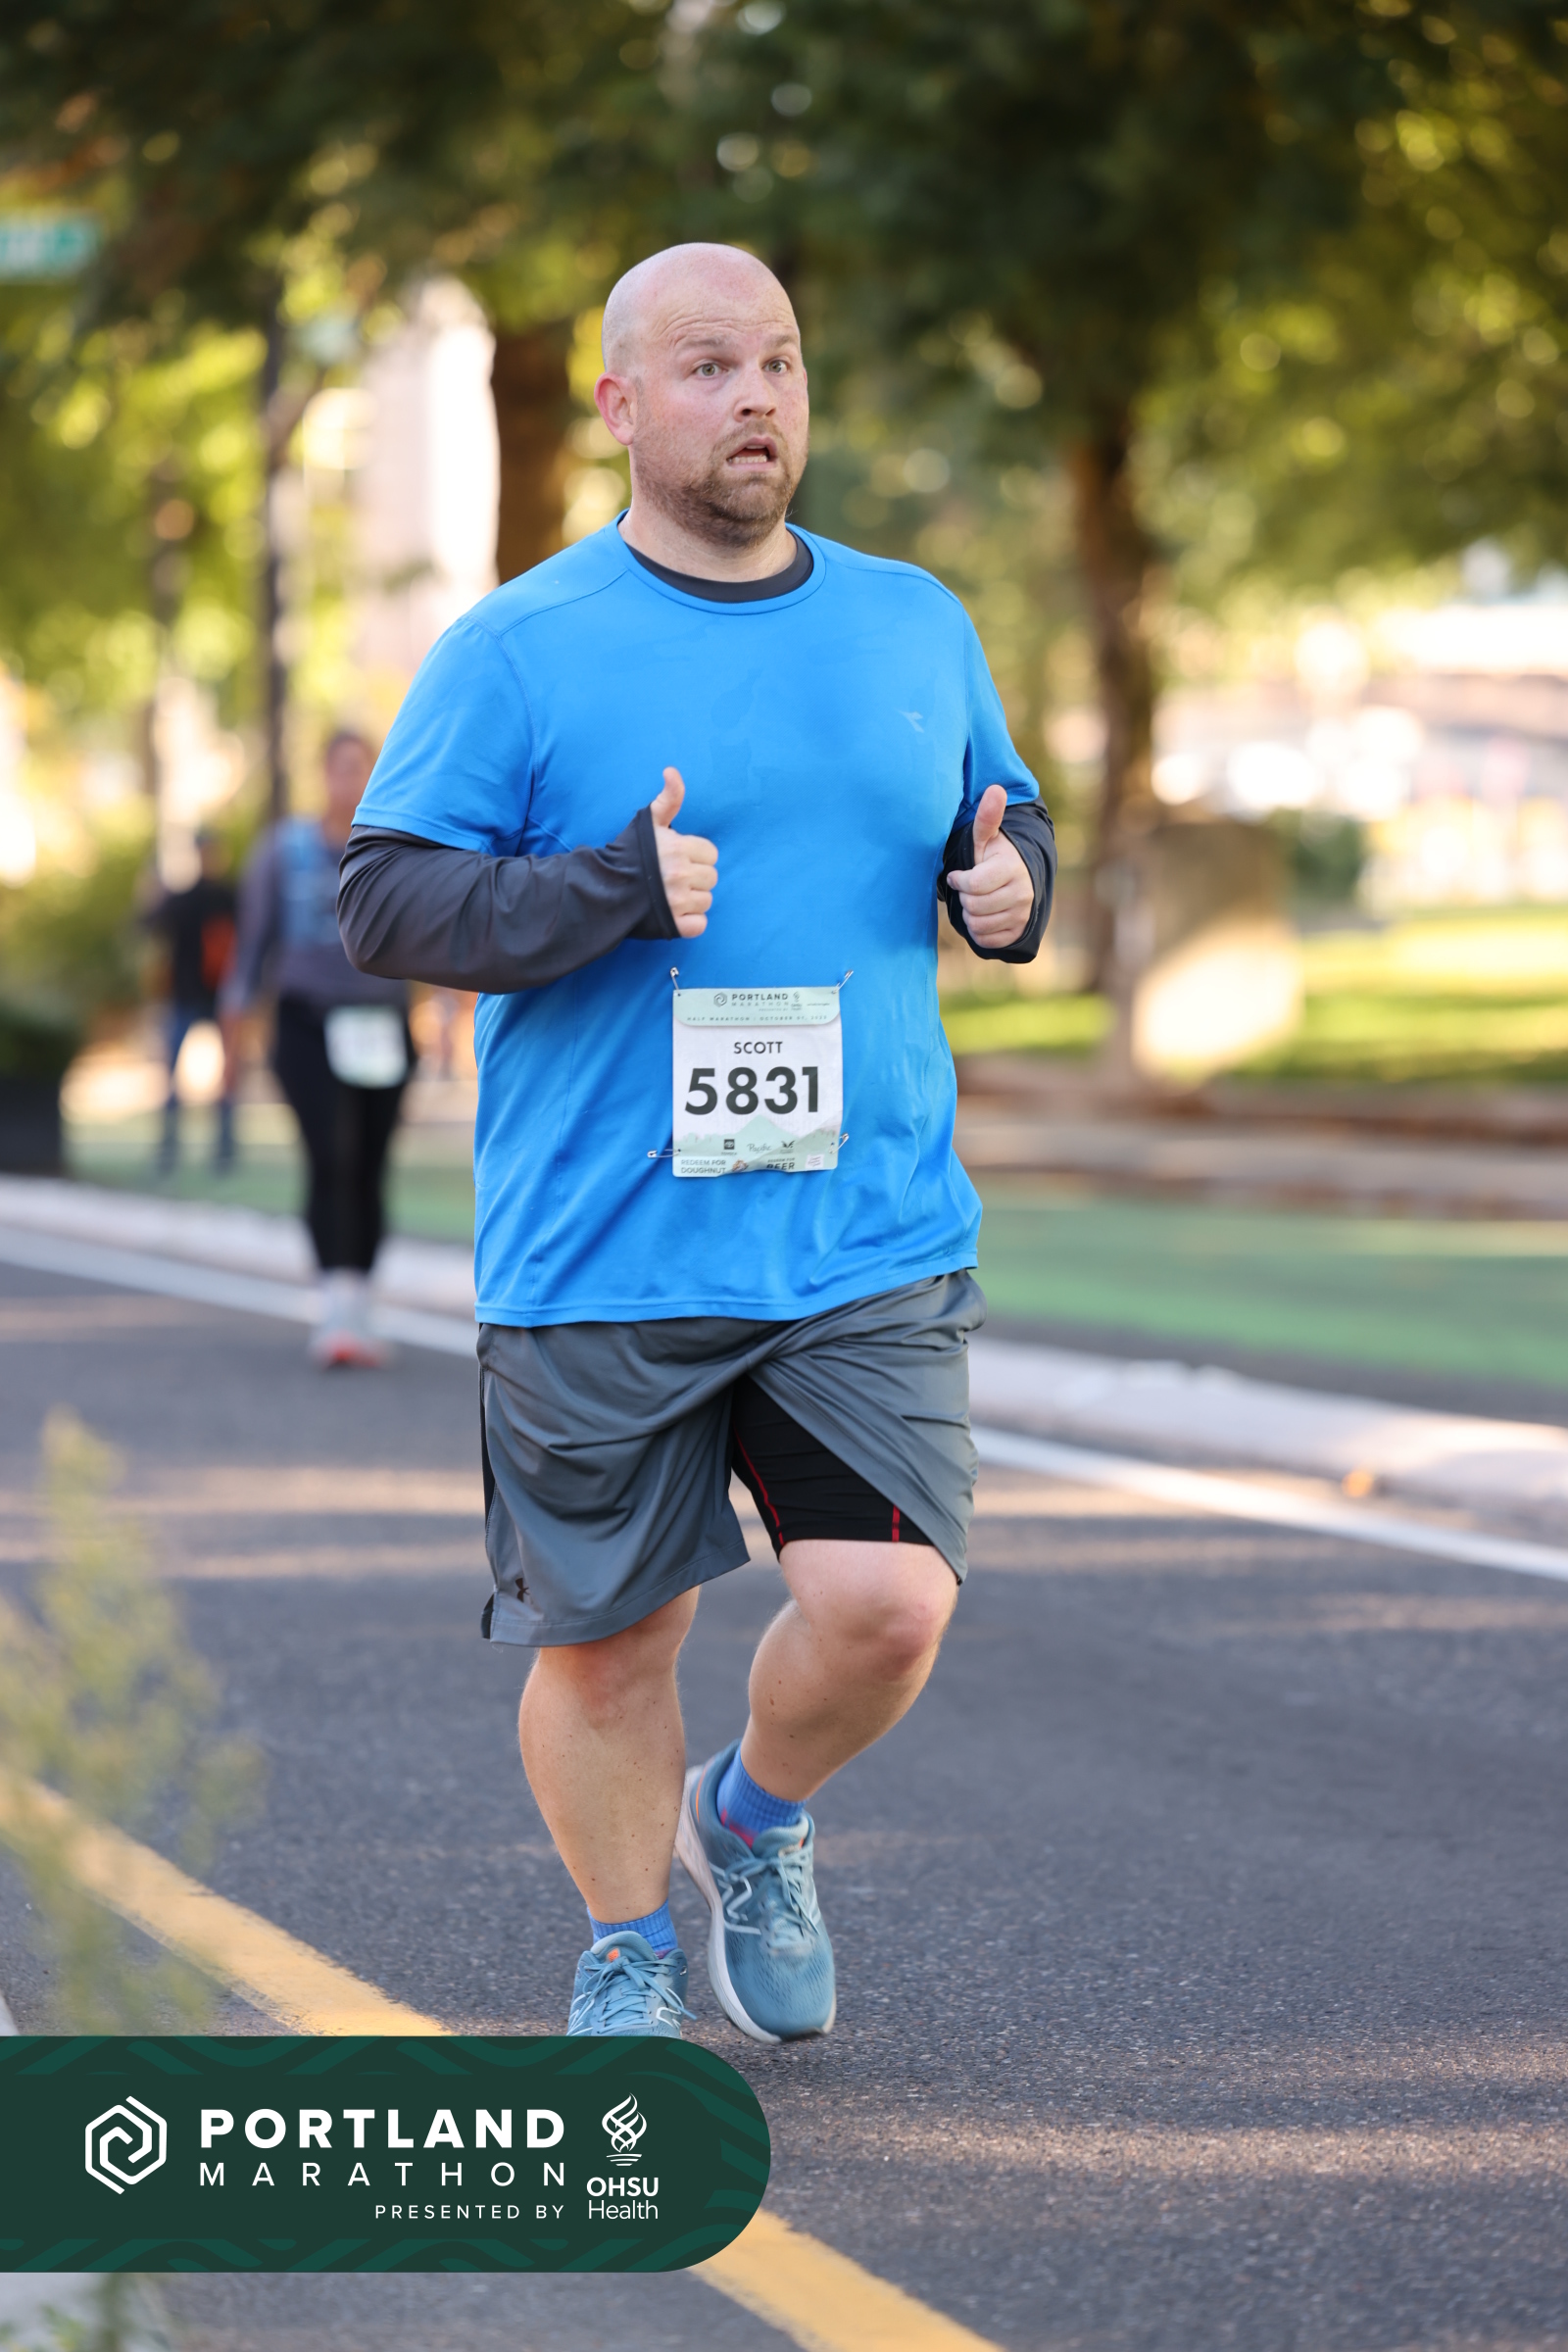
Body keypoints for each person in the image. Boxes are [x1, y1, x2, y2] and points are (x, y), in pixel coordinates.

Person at [339, 243, 1054, 2039]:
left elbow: (1004, 816)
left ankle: (749, 1817)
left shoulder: (914, 620)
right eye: (713, 365)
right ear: (619, 404)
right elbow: (386, 900)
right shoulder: (518, 646)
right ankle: (626, 1950)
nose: (758, 398)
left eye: (781, 363)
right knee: (613, 1643)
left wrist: (1012, 887)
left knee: (888, 1606)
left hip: (861, 1228)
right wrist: (607, 886)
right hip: (606, 1243)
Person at [224, 730, 412, 1369]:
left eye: (362, 768)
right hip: (307, 1022)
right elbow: (251, 949)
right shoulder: (285, 852)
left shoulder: (397, 849)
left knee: (371, 1162)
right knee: (331, 1153)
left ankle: (361, 1298)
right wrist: (233, 1034)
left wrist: (445, 1012)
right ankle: (333, 1302)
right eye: (341, 768)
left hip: (382, 1025)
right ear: (322, 774)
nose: (350, 781)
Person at [145, 826, 237, 1174]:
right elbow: (150, 926)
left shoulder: (229, 898)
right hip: (185, 995)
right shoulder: (183, 898)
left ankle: (224, 1152)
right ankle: (169, 1150)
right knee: (172, 1076)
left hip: (222, 996)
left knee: (227, 1076)